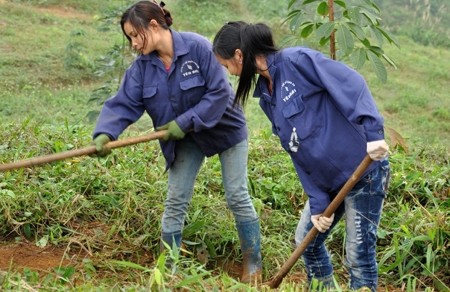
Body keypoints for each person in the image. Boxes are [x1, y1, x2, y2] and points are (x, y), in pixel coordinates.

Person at [91, 3, 262, 284]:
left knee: (236, 194)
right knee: (175, 200)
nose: (133, 44)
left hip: (225, 131)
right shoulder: (142, 69)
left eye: (136, 35)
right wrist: (106, 132)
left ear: (155, 26)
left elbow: (220, 93)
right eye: (129, 38)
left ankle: (253, 265)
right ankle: (167, 271)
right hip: (185, 139)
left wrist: (184, 122)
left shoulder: (198, 47)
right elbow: (123, 104)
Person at [212, 21, 390, 291]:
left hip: (362, 173)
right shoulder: (266, 97)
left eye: (227, 65)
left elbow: (351, 82)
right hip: (329, 185)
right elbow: (296, 151)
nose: (231, 72)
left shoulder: (297, 62)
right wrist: (318, 202)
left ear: (239, 55)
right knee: (307, 241)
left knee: (358, 256)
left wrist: (373, 131)